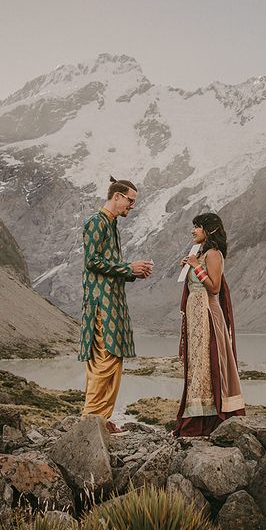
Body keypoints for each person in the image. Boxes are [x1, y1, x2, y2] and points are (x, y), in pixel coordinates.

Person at [78, 176, 153, 433]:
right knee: (104, 360)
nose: (132, 206)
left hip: (113, 301)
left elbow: (107, 265)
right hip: (102, 303)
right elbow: (92, 261)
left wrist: (133, 272)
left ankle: (102, 419)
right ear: (117, 196)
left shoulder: (110, 225)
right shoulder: (96, 222)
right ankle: (90, 421)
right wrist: (127, 267)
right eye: (130, 200)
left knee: (113, 360)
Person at [174, 212, 245, 436]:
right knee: (198, 364)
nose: (193, 231)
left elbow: (214, 288)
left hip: (207, 315)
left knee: (208, 362)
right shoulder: (201, 254)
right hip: (196, 316)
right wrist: (190, 266)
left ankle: (207, 420)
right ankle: (199, 416)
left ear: (210, 230)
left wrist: (196, 266)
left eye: (197, 227)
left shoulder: (213, 254)